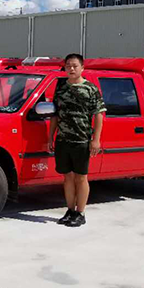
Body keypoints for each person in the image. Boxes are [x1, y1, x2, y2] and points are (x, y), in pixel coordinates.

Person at [49, 53, 106, 228]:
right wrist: (50, 137)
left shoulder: (90, 89)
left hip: (81, 140)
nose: (71, 69)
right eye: (68, 66)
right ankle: (70, 210)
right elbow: (55, 115)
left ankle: (80, 213)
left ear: (82, 68)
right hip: (63, 140)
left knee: (81, 178)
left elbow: (98, 115)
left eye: (75, 66)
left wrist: (95, 140)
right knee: (67, 177)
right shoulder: (61, 89)